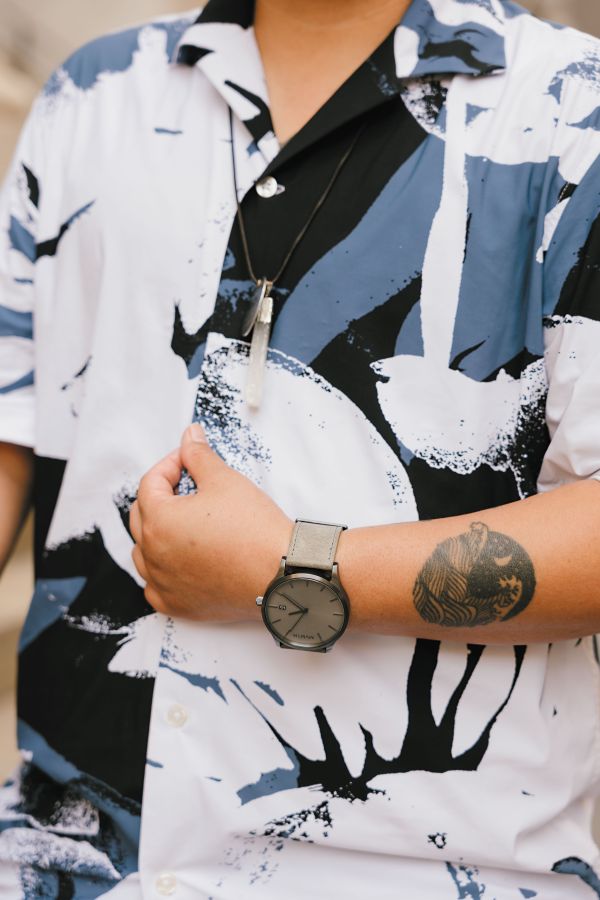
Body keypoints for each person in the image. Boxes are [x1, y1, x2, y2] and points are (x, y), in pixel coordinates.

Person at [1, 0, 600, 896]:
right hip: (73, 862)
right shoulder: (91, 94)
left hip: (427, 874)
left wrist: (294, 569)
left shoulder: (571, 112)